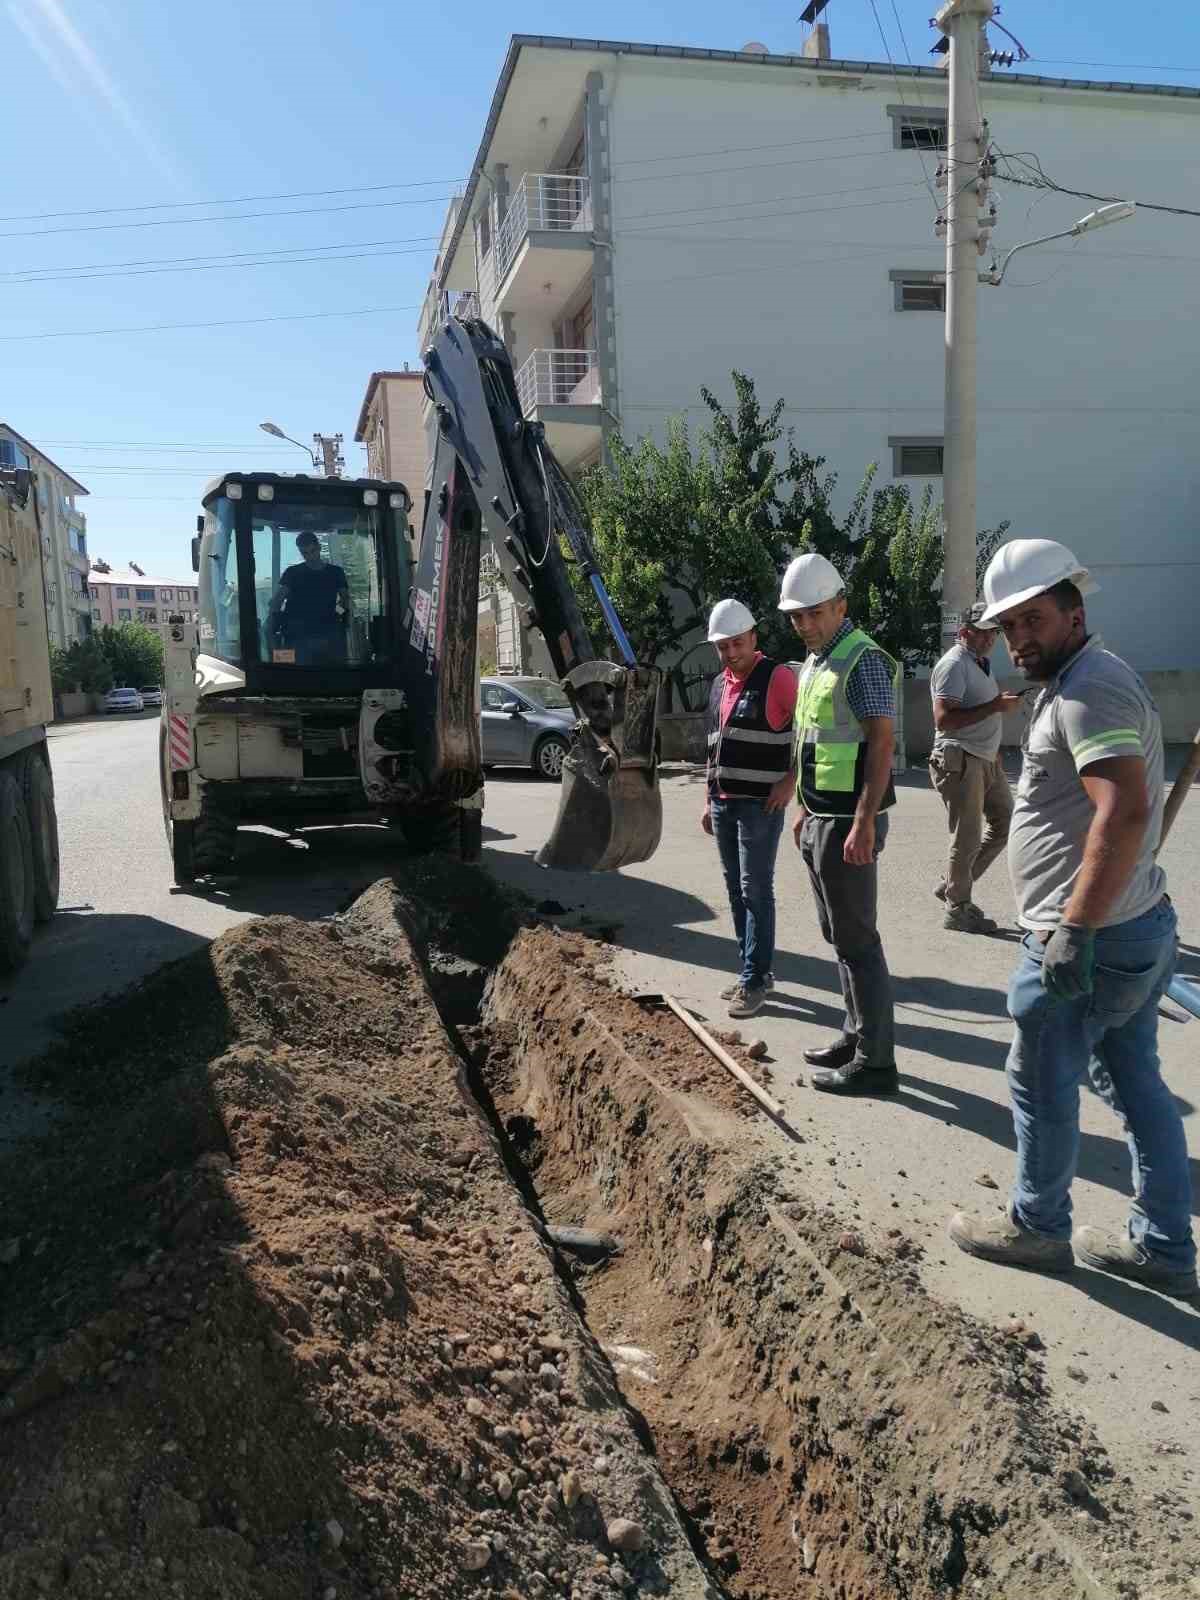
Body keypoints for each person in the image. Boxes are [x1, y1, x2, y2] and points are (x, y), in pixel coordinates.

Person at [950, 539, 1195, 1299]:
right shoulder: (1076, 679)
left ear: (1074, 613)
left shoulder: (1092, 690)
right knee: (1136, 1083)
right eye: (1009, 625)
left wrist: (1076, 930)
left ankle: (1038, 1226)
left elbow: (1122, 815)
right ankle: (1163, 1245)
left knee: (1041, 1081)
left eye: (1035, 619)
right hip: (1132, 926)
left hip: (1095, 936)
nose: (1020, 637)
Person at [780, 554, 899, 1095]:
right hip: (820, 817)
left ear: (840, 607)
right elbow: (813, 744)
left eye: (814, 613)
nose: (804, 624)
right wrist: (802, 806)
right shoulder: (814, 663)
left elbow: (881, 742)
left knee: (859, 940)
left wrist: (865, 821)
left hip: (850, 823)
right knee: (840, 936)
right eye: (797, 616)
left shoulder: (860, 660)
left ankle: (877, 1063)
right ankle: (854, 1032)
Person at [701, 599, 798, 1018]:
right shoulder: (719, 685)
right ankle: (750, 969)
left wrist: (791, 781)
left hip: (761, 804)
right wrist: (708, 799)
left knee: (755, 889)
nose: (730, 653)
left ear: (753, 638)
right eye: (722, 647)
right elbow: (713, 746)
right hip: (724, 802)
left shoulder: (776, 677)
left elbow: (809, 730)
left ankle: (756, 979)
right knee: (735, 889)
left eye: (736, 643)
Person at [928, 605, 1022, 933]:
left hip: (984, 758)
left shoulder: (979, 663)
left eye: (993, 631)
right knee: (965, 837)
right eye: (980, 631)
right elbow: (944, 720)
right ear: (964, 630)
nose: (988, 638)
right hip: (960, 759)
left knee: (1005, 822)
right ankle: (958, 908)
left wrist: (994, 752)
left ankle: (954, 886)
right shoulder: (954, 664)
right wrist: (996, 705)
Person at [266, 532, 351, 664]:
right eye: (305, 553)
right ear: (301, 553)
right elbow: (277, 602)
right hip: (297, 636)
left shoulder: (336, 572)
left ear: (319, 548)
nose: (310, 556)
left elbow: (346, 602)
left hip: (325, 636)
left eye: (312, 551)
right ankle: (281, 669)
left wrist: (339, 614)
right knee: (290, 671)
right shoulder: (292, 573)